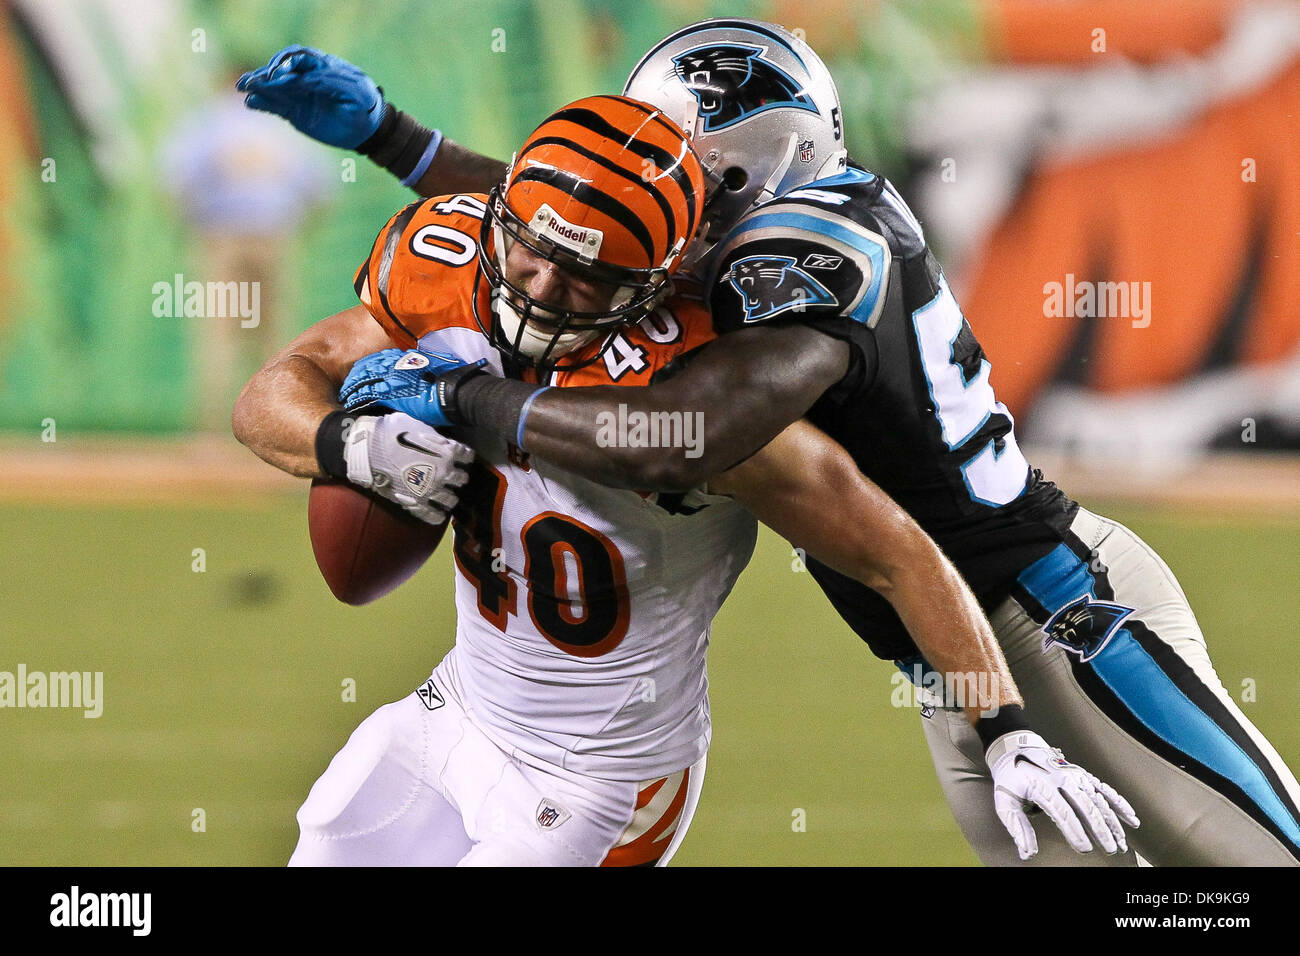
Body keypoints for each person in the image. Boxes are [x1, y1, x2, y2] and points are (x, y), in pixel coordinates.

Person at [238, 20, 1300, 866]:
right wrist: (395, 138)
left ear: (740, 187)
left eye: (680, 170)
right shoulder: (701, 240)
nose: (652, 181)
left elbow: (679, 434)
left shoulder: (812, 250)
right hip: (944, 646)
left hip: (1054, 610)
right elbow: (587, 222)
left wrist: (459, 396)